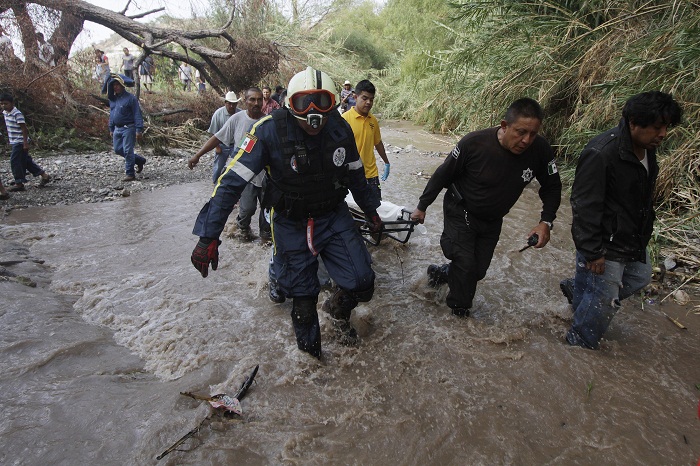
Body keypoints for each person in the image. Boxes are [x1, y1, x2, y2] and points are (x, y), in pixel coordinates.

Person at [190, 67, 382, 359]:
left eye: (323, 101)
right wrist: (208, 237)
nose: (314, 112)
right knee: (303, 298)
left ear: (334, 103)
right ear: (290, 103)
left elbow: (356, 176)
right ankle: (312, 364)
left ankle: (337, 313)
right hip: (290, 221)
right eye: (306, 102)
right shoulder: (267, 131)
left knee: (363, 282)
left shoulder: (339, 128)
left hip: (333, 216)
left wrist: (372, 212)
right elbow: (229, 184)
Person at [410, 97, 562, 318]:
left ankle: (440, 274)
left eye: (533, 133)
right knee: (466, 265)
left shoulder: (540, 150)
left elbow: (552, 186)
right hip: (460, 210)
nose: (526, 140)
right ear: (504, 126)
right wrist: (422, 206)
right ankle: (458, 315)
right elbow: (444, 174)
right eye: (520, 132)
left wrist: (545, 222)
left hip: (492, 220)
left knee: (477, 271)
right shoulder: (474, 144)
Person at [560, 91, 682, 350]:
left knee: (640, 276)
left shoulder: (647, 149)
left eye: (666, 127)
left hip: (632, 236)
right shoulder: (602, 153)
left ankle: (579, 290)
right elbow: (584, 205)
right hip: (606, 242)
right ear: (633, 123)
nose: (663, 134)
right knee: (602, 303)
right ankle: (579, 348)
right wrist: (593, 252)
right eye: (657, 127)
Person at [189, 88, 269, 241]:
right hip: (244, 173)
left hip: (265, 174)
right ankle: (242, 228)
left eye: (259, 100)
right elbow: (217, 138)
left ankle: (265, 237)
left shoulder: (267, 122)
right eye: (252, 99)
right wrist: (197, 155)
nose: (256, 103)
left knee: (267, 209)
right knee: (247, 208)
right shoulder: (236, 119)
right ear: (245, 101)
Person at [342, 79, 390, 201]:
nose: (368, 102)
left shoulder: (373, 121)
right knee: (351, 213)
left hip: (371, 175)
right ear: (355, 97)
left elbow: (378, 142)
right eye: (364, 98)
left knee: (375, 211)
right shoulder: (344, 120)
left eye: (371, 99)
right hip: (350, 175)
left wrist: (386, 162)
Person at [0, 93, 51, 191]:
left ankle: (19, 183)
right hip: (14, 141)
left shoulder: (17, 113)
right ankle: (44, 175)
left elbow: (24, 129)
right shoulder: (5, 112)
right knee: (26, 161)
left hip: (19, 141)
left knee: (15, 161)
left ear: (12, 103)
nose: (3, 106)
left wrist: (25, 143)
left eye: (5, 104)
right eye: (1, 104)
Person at [190, 91, 240, 183]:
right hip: (222, 143)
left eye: (234, 104)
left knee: (238, 166)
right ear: (225, 103)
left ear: (236, 103)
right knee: (218, 166)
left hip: (236, 144)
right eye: (229, 104)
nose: (232, 106)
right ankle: (215, 183)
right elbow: (213, 133)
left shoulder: (240, 114)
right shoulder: (218, 114)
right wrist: (217, 147)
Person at [105, 73, 147, 182]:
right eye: (114, 85)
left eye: (118, 84)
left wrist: (139, 130)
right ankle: (139, 160)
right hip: (117, 128)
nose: (115, 87)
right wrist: (111, 128)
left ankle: (130, 174)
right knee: (118, 149)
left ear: (122, 85)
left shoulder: (131, 98)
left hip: (129, 128)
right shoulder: (113, 99)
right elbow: (112, 114)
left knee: (128, 150)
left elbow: (137, 114)